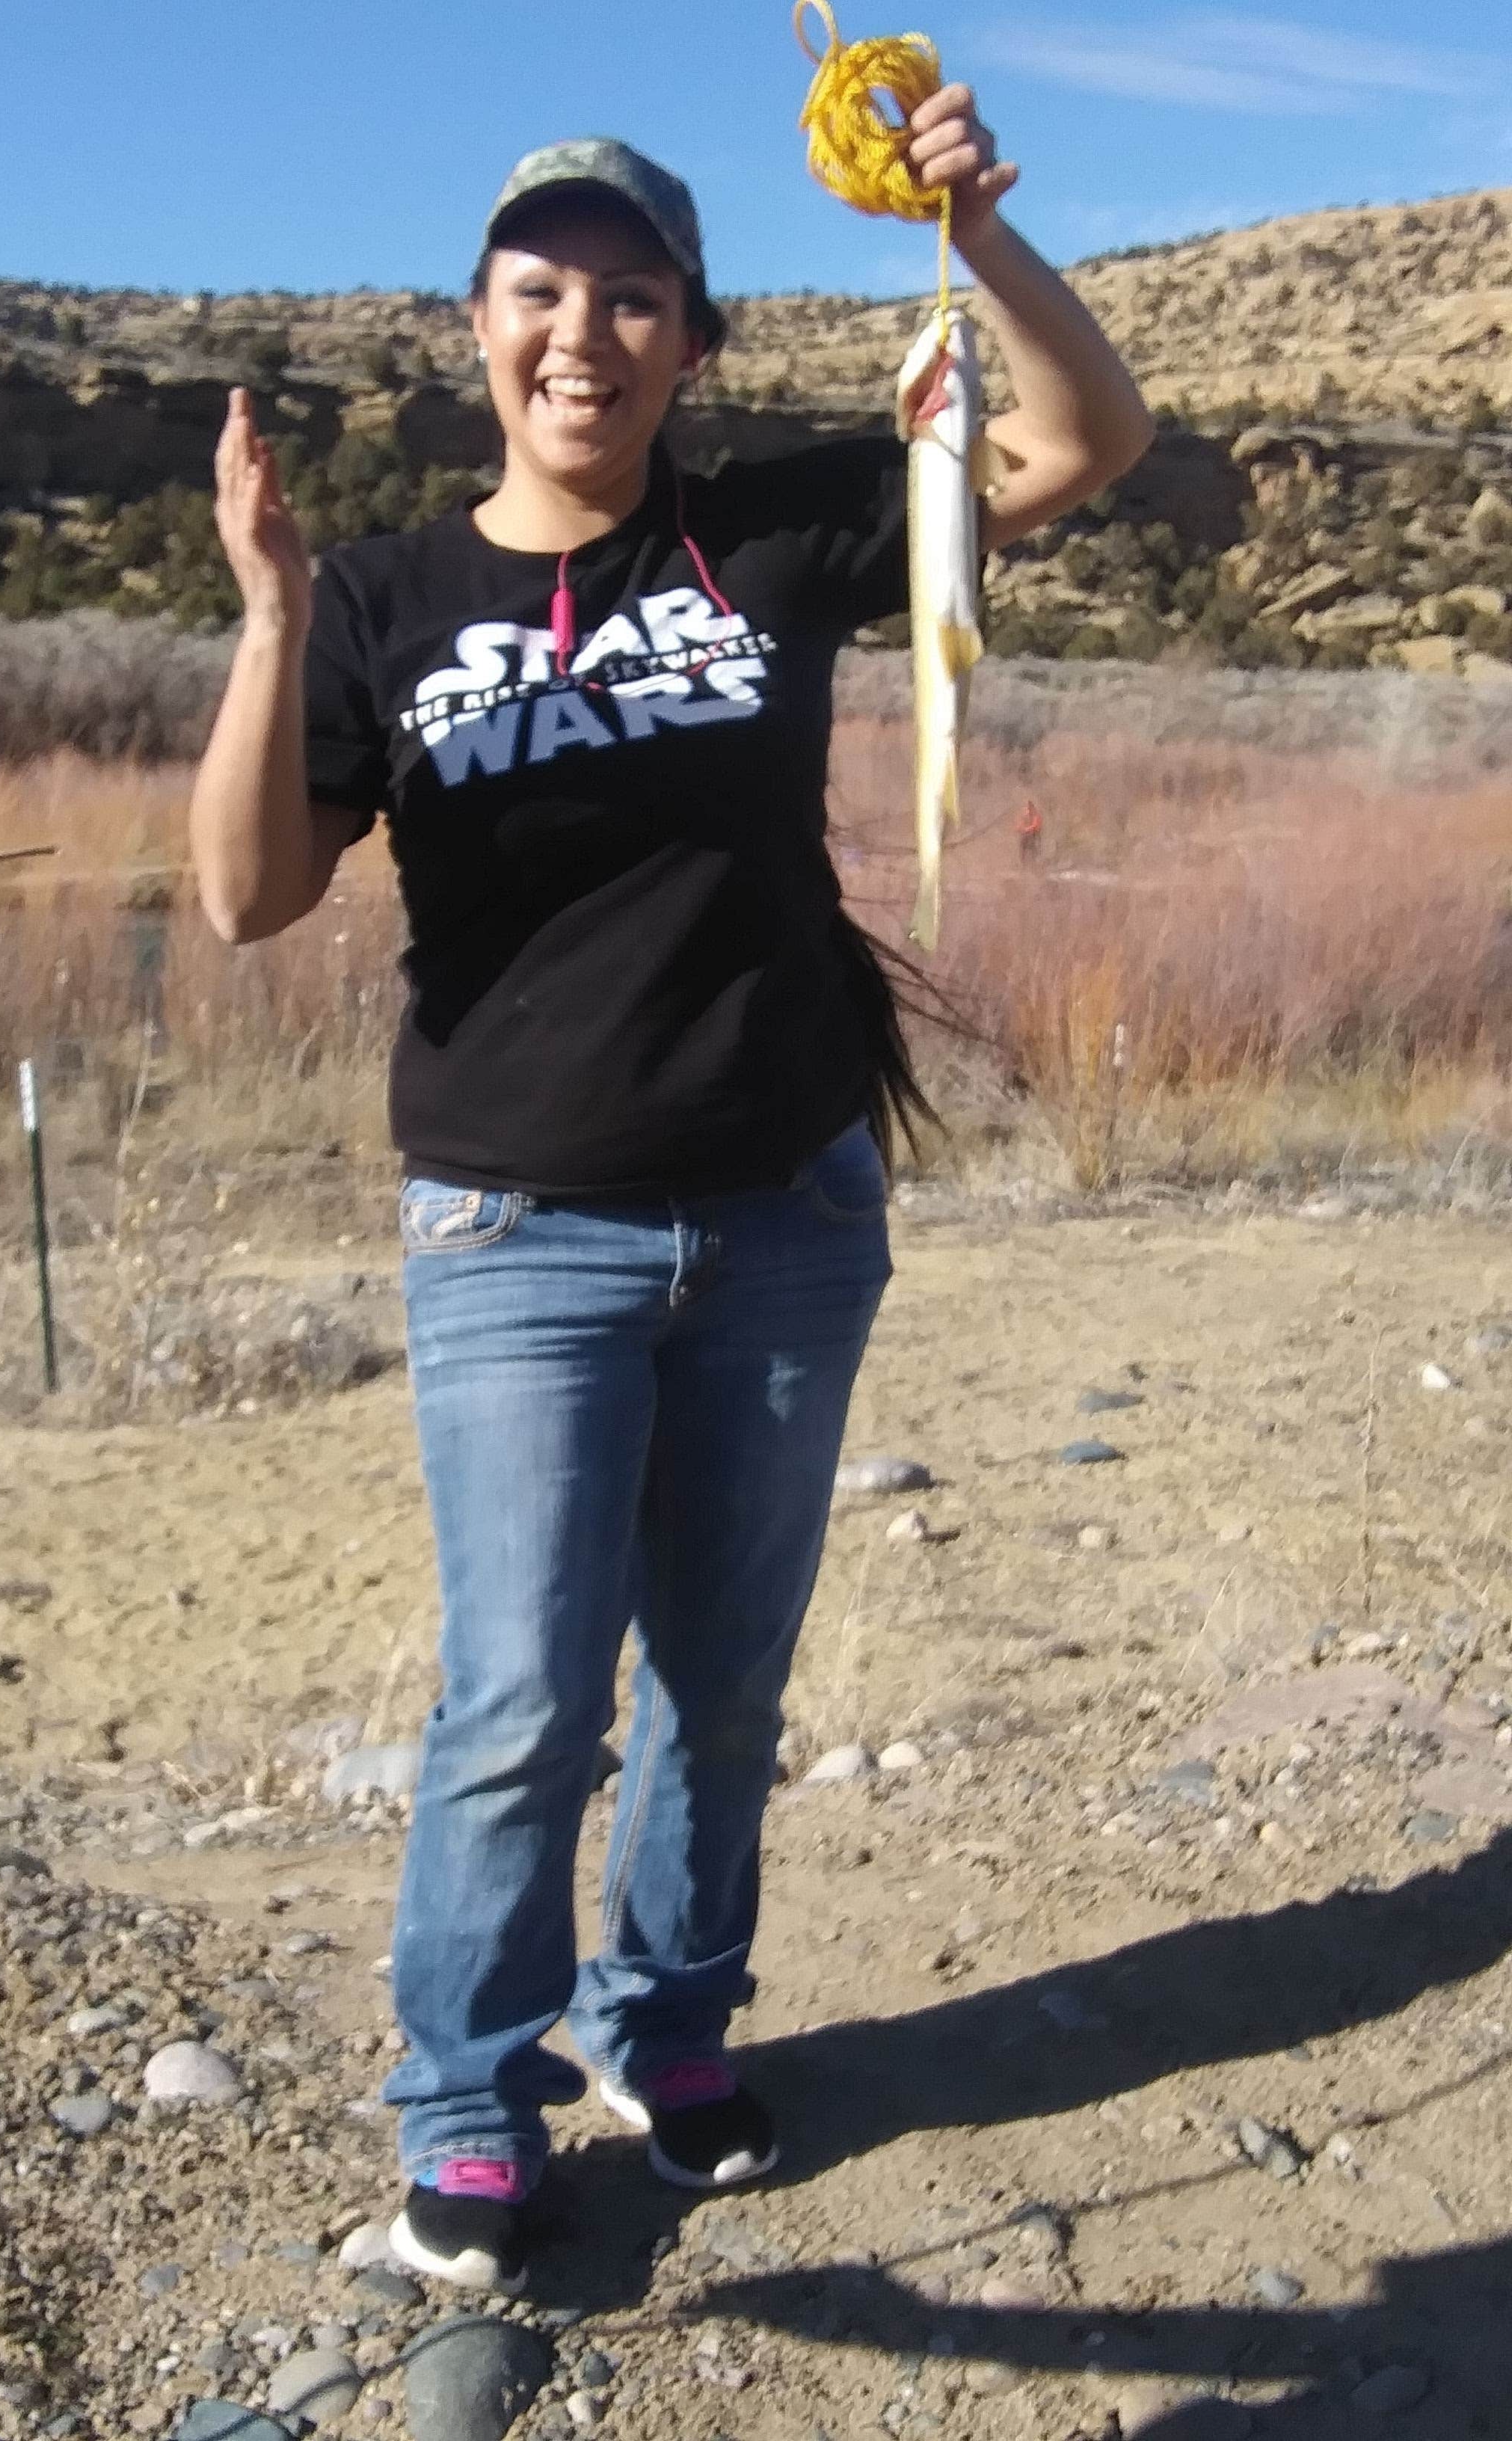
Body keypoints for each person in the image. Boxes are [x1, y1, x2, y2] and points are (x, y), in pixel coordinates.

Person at [190, 85, 1152, 2293]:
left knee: (724, 1682)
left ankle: (673, 2026)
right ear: (478, 324)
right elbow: (245, 897)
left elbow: (1081, 444)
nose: (584, 336)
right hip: (519, 1228)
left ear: (693, 342)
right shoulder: (386, 603)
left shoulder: (785, 534)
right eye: (543, 292)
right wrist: (265, 616)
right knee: (526, 1699)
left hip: (788, 1213)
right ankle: (467, 2098)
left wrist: (982, 237)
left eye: (634, 300)